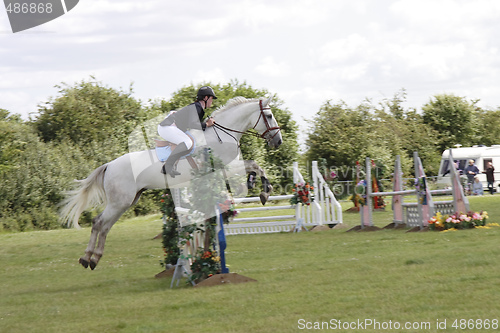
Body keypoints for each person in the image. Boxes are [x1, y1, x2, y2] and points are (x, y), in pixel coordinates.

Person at [157, 86, 217, 177]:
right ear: (205, 98)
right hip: (167, 127)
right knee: (187, 142)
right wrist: (207, 124)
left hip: (171, 127)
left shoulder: (198, 108)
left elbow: (191, 124)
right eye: (211, 98)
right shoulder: (197, 107)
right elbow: (192, 124)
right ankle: (168, 166)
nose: (212, 101)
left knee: (190, 141)